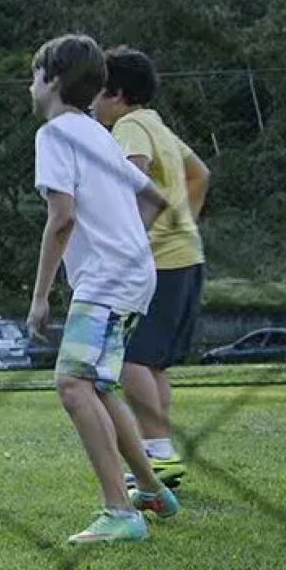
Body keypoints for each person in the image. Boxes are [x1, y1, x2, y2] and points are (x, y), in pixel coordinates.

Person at [24, 34, 179, 544]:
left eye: (34, 76)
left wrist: (40, 297)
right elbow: (154, 199)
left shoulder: (55, 134)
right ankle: (151, 490)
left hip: (110, 278)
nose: (31, 85)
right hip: (133, 274)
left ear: (52, 80)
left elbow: (61, 218)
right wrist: (124, 241)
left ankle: (120, 510)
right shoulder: (97, 133)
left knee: (71, 384)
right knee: (99, 384)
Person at [94, 47, 210, 489]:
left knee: (130, 358)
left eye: (97, 92)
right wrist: (184, 222)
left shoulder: (129, 127)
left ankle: (158, 450)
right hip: (185, 255)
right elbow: (200, 173)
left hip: (157, 260)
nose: (92, 103)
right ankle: (160, 452)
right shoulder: (156, 123)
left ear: (116, 93)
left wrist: (131, 238)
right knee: (154, 363)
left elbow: (135, 177)